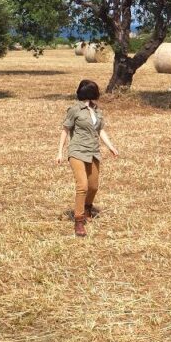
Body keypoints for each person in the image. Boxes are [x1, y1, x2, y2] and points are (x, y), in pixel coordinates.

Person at [57, 79, 119, 237]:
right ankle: (79, 221)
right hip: (77, 151)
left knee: (93, 186)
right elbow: (65, 130)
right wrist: (60, 152)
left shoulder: (97, 110)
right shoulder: (74, 110)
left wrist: (110, 146)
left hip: (93, 152)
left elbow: (100, 131)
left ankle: (87, 207)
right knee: (82, 186)